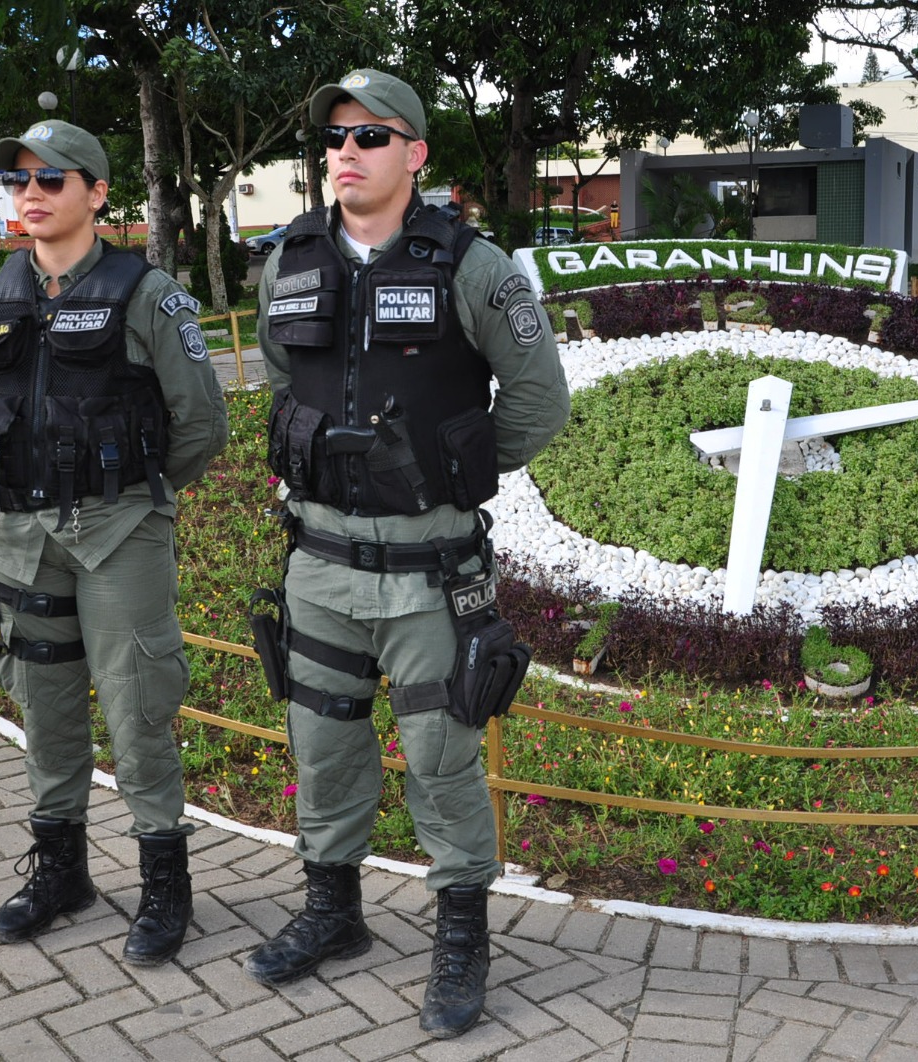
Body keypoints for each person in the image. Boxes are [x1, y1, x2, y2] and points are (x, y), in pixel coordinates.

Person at [245, 69, 569, 1039]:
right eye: (334, 138)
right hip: (321, 565)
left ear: (415, 154)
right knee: (324, 738)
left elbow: (538, 399)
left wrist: (450, 470)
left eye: (370, 136)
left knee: (439, 752)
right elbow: (278, 377)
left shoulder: (475, 266)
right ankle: (332, 913)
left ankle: (461, 939)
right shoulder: (288, 260)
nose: (346, 152)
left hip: (432, 571)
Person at [0, 120, 228, 965]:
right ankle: (62, 872)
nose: (30, 196)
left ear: (98, 193)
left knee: (137, 707)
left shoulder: (149, 295)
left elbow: (201, 426)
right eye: (19, 184)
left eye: (52, 180)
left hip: (117, 536)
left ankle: (164, 886)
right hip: (21, 537)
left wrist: (135, 501)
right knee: (45, 710)